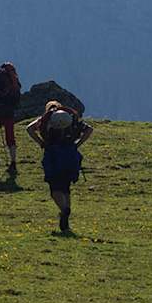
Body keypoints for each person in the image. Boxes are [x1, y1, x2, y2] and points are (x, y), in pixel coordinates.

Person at [26, 100, 93, 233]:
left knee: (55, 188)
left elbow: (29, 128)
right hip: (70, 155)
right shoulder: (72, 120)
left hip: (53, 156)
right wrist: (77, 145)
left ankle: (64, 210)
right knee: (66, 188)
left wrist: (41, 143)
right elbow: (89, 129)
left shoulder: (44, 120)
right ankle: (66, 222)